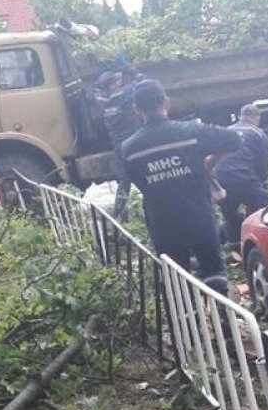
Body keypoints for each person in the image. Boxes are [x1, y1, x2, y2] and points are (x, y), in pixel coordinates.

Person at [122, 80, 242, 296]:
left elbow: (136, 180)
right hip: (200, 219)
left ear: (137, 111)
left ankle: (189, 315)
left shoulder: (129, 149)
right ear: (166, 103)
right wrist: (210, 161)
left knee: (178, 287)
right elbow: (235, 140)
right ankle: (222, 314)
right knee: (214, 274)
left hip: (164, 226)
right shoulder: (191, 132)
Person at [214, 104, 268, 248]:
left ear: (241, 116)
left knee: (230, 213)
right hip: (243, 176)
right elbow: (262, 166)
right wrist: (261, 184)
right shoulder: (258, 134)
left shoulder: (226, 130)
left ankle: (234, 245)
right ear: (257, 118)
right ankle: (266, 241)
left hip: (220, 178)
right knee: (267, 206)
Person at [95, 58, 146, 219]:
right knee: (145, 171)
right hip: (134, 140)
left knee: (124, 179)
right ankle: (155, 203)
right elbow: (143, 82)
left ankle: (119, 213)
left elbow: (94, 90)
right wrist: (129, 68)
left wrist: (101, 70)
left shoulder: (102, 100)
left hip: (119, 144)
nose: (120, 81)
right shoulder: (125, 94)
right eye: (116, 81)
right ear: (112, 85)